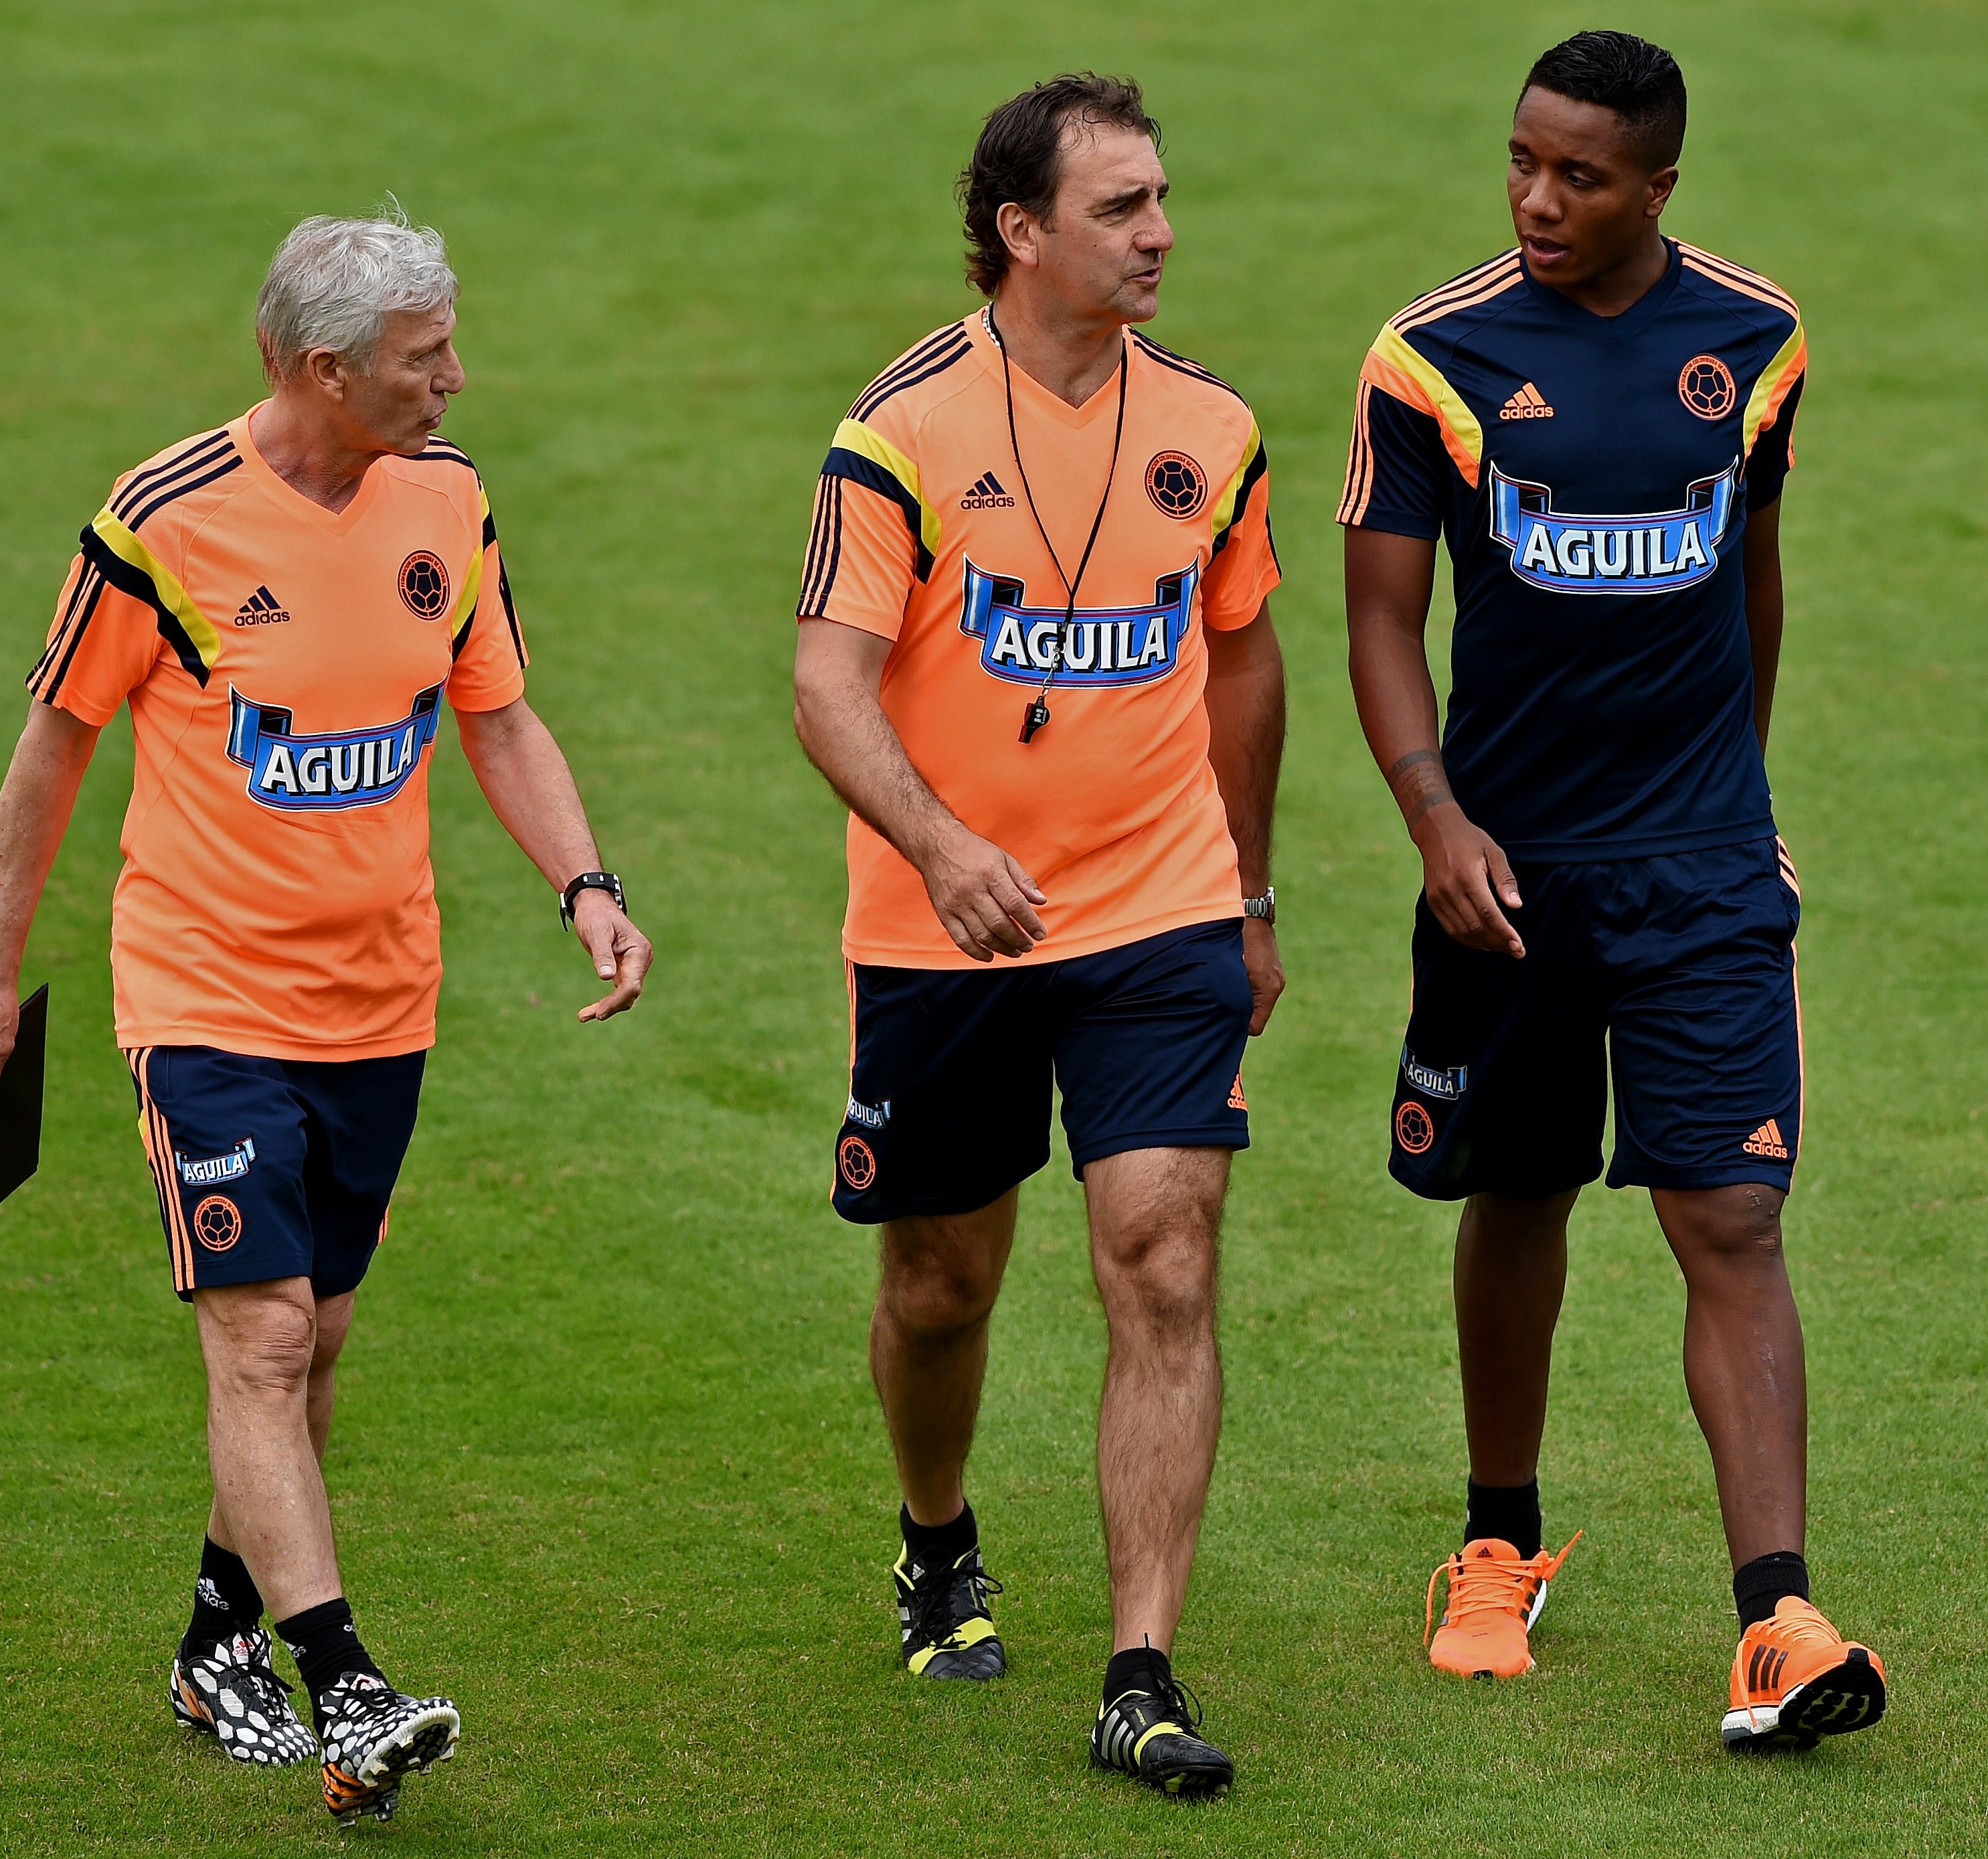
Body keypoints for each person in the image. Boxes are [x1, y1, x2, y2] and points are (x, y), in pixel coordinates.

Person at [0, 206, 652, 1825]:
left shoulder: (445, 505)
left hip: (382, 1002)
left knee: (312, 1345)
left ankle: (214, 1644)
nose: (458, 379)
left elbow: (499, 714)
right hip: (203, 991)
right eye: (427, 357)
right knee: (256, 1335)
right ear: (323, 369)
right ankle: (346, 1688)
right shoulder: (160, 523)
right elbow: (53, 748)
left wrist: (584, 883)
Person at [1340, 31, 1884, 1750]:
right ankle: (1495, 1539)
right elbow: (1375, 619)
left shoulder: (1753, 340)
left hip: (1701, 867)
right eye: (1519, 160)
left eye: (1578, 175)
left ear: (1657, 186)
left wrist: (1739, 794)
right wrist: (1432, 819)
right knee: (1518, 1198)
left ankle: (1776, 1619)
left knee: (1726, 1215)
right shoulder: (1430, 356)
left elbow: (1752, 577)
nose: (1534, 199)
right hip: (1501, 869)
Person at [793, 74, 1285, 1797]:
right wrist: (936, 842)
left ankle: (1137, 1667)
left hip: (1154, 907)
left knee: (1163, 1251)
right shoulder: (900, 430)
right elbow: (824, 684)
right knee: (940, 1287)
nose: (1159, 234)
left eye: (1161, 201)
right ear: (1020, 231)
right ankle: (935, 1538)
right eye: (1118, 208)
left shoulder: (1210, 431)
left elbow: (1238, 657)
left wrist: (1248, 892)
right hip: (948, 929)